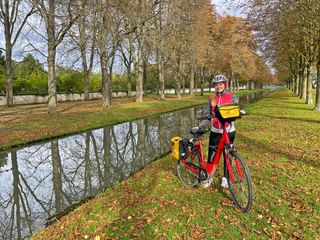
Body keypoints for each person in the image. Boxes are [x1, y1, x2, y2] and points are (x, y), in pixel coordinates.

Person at [199, 74, 239, 188]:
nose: (218, 87)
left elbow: (236, 109)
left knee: (227, 155)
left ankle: (225, 178)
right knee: (212, 155)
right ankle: (209, 177)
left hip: (229, 131)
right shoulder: (212, 98)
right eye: (216, 85)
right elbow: (209, 114)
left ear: (225, 85)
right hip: (215, 131)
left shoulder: (232, 96)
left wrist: (241, 112)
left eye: (220, 84)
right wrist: (201, 126)